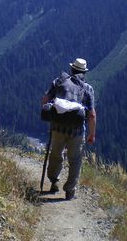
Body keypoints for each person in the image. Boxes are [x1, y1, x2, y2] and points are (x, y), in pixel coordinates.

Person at [41, 58, 96, 200]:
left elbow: (45, 100)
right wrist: (92, 134)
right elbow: (91, 114)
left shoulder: (58, 82)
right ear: (84, 72)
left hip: (57, 127)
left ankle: (54, 181)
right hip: (77, 130)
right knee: (75, 160)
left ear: (72, 69)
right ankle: (70, 191)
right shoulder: (87, 88)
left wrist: (52, 113)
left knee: (55, 155)